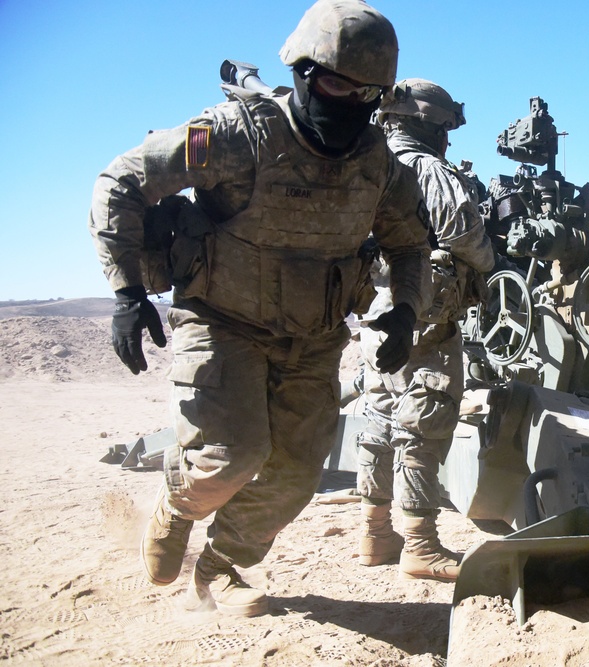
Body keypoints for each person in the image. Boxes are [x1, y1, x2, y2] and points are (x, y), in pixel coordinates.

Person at [88, 0, 432, 616]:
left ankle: (222, 566)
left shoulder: (377, 164)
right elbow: (121, 183)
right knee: (228, 459)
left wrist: (405, 310)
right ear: (303, 73)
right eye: (335, 84)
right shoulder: (234, 136)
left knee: (296, 476)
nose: (350, 104)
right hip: (222, 322)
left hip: (315, 336)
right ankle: (177, 503)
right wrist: (126, 292)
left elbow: (411, 245)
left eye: (368, 94)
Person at [355, 79, 494, 582]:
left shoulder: (364, 165)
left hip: (375, 313)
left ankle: (374, 534)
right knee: (422, 423)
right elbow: (463, 231)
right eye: (444, 130)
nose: (447, 141)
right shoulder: (426, 168)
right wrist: (489, 260)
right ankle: (420, 544)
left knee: (378, 419)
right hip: (426, 321)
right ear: (428, 126)